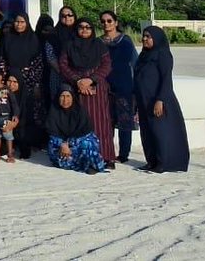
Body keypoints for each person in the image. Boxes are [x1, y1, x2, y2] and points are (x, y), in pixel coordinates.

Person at [58, 17, 116, 167]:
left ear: (92, 30)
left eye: (88, 27)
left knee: (101, 122)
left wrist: (91, 80)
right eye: (81, 27)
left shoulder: (99, 45)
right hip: (77, 88)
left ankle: (106, 156)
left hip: (96, 88)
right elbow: (63, 65)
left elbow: (107, 65)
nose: (84, 30)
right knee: (80, 122)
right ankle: (82, 156)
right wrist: (78, 80)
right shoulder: (69, 45)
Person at [134, 26, 190, 173]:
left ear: (157, 38)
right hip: (143, 99)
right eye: (144, 36)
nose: (145, 39)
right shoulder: (144, 55)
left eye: (148, 36)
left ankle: (164, 162)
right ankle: (151, 161)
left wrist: (160, 100)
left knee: (160, 132)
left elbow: (166, 79)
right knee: (147, 132)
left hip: (158, 99)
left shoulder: (163, 54)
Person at [0, 13, 45, 154]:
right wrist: (4, 79)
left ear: (27, 23)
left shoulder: (34, 40)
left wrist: (34, 82)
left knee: (26, 111)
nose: (19, 25)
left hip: (28, 81)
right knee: (8, 109)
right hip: (10, 80)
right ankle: (9, 144)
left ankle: (25, 143)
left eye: (22, 22)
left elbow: (38, 63)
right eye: (16, 22)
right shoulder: (8, 39)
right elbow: (2, 60)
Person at [45, 85, 107, 174]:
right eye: (62, 96)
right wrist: (62, 144)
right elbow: (52, 133)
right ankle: (81, 165)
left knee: (87, 144)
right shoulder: (54, 111)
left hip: (79, 142)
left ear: (73, 97)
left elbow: (86, 133)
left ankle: (90, 165)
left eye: (68, 96)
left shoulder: (80, 111)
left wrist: (70, 144)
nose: (65, 100)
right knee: (54, 148)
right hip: (63, 144)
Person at [103, 11, 138, 164]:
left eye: (109, 21)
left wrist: (137, 86)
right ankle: (107, 151)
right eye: (103, 21)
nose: (106, 24)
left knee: (125, 121)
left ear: (116, 22)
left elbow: (135, 62)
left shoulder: (125, 41)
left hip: (124, 85)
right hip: (105, 85)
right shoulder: (99, 42)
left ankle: (124, 154)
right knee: (107, 120)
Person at [47, 7, 79, 99]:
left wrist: (73, 74)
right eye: (63, 15)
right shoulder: (53, 34)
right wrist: (64, 72)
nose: (67, 17)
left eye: (70, 15)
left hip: (77, 74)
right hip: (58, 74)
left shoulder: (80, 33)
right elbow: (50, 56)